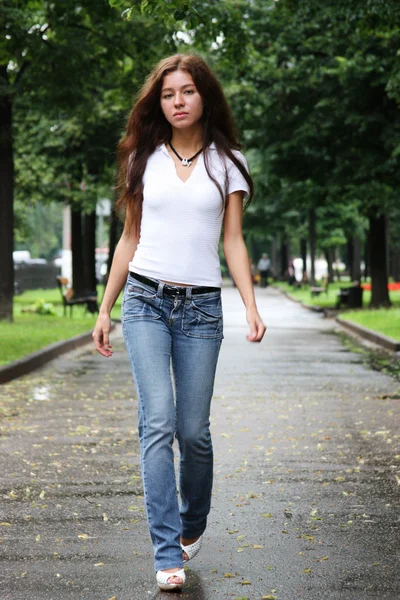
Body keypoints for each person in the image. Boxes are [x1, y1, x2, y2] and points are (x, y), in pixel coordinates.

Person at [92, 54, 266, 592]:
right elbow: (129, 239)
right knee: (157, 423)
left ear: (204, 97)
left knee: (194, 433)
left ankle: (193, 523)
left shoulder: (227, 163)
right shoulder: (141, 159)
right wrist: (105, 307)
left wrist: (251, 305)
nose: (178, 102)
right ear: (158, 103)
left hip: (200, 308)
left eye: (187, 91)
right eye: (168, 94)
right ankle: (167, 551)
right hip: (145, 301)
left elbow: (232, 241)